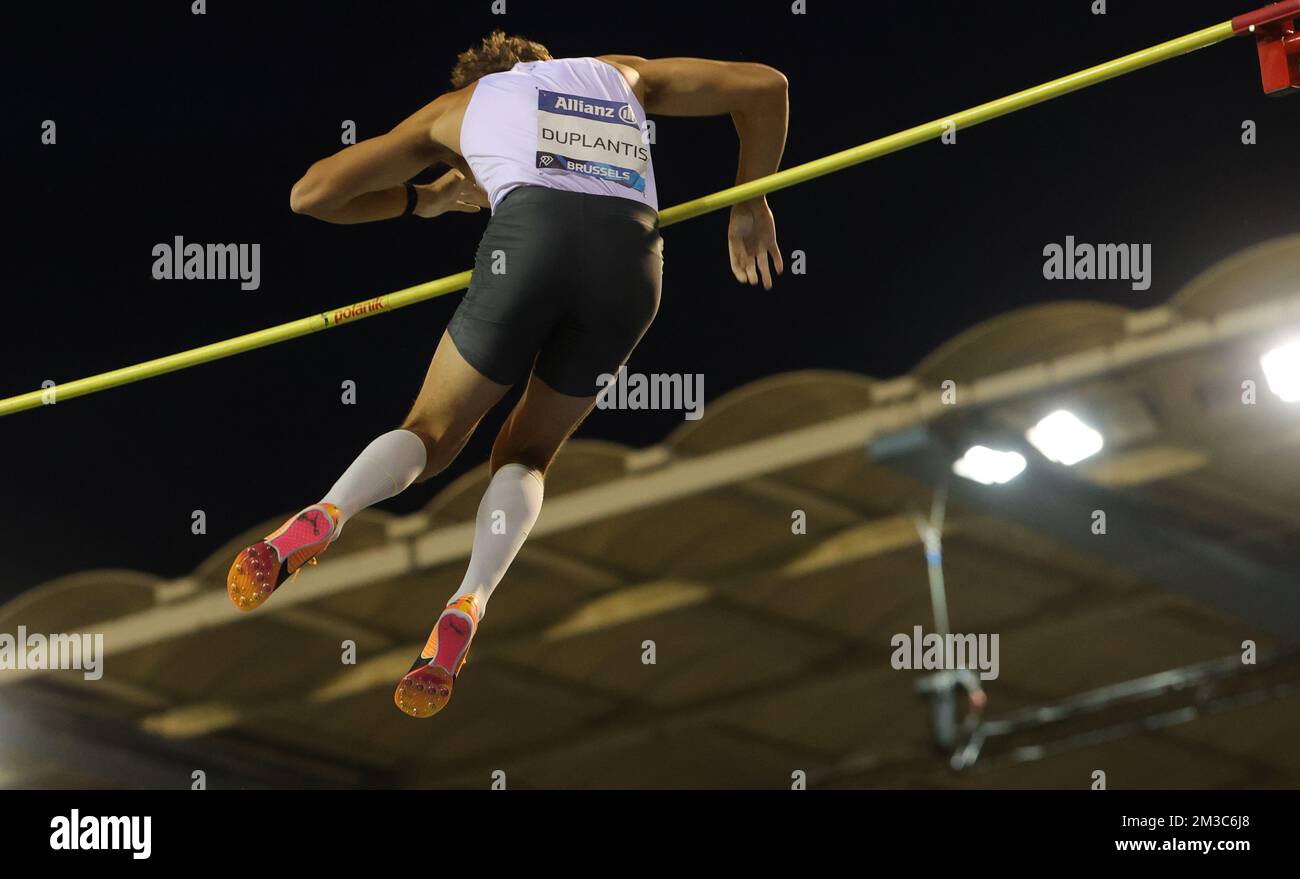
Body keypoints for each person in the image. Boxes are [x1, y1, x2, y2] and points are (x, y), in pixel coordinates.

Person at [227, 31, 789, 718]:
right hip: (633, 266)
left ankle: (326, 514)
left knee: (431, 431)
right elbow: (766, 87)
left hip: (528, 244)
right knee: (525, 452)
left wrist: (426, 200)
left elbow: (311, 194)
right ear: (544, 63)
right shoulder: (620, 72)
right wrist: (749, 201)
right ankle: (472, 597)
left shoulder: (455, 108)